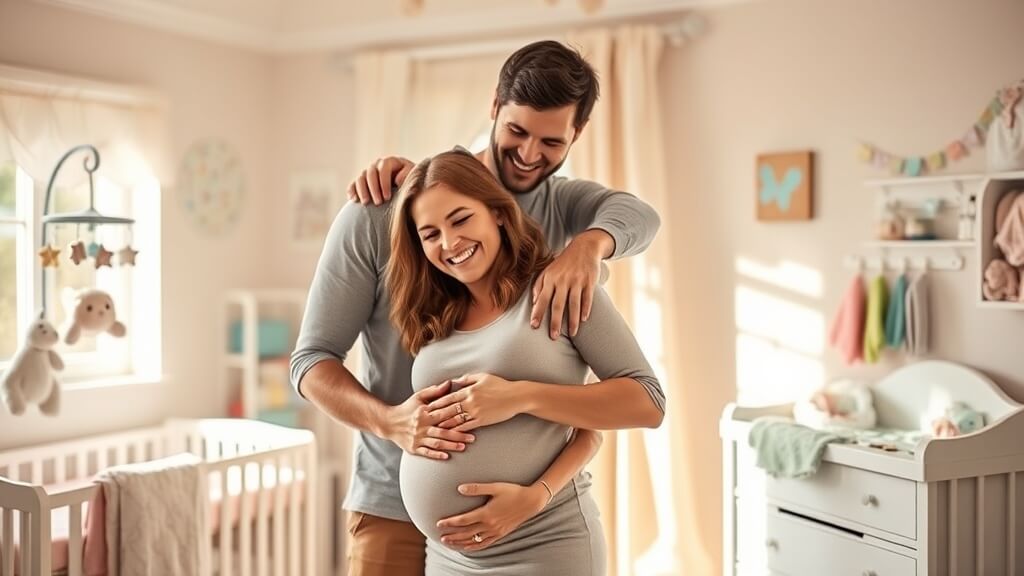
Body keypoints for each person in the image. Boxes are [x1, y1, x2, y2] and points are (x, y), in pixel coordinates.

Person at [290, 40, 661, 576]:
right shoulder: (381, 211)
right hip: (393, 508)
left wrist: (587, 247)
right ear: (493, 106)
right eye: (516, 131)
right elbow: (311, 361)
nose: (530, 154)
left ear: (576, 136)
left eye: (551, 141)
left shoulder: (563, 214)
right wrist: (393, 423)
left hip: (535, 521)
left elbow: (640, 217)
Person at [387, 150, 665, 575]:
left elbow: (648, 402)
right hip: (448, 556)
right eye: (430, 234)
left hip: (543, 543)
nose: (449, 243)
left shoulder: (558, 286)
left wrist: (519, 398)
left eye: (461, 219)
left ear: (498, 213)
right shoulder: (434, 314)